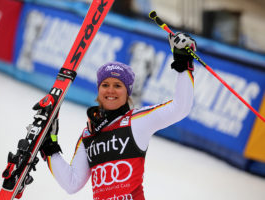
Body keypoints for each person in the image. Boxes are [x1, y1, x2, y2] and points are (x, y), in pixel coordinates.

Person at [39, 32, 196, 200]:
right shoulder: (88, 134)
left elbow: (180, 107)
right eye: (105, 85)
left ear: (127, 91)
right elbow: (72, 183)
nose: (111, 90)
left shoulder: (138, 121)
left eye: (118, 85)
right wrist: (50, 147)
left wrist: (183, 64)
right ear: (98, 90)